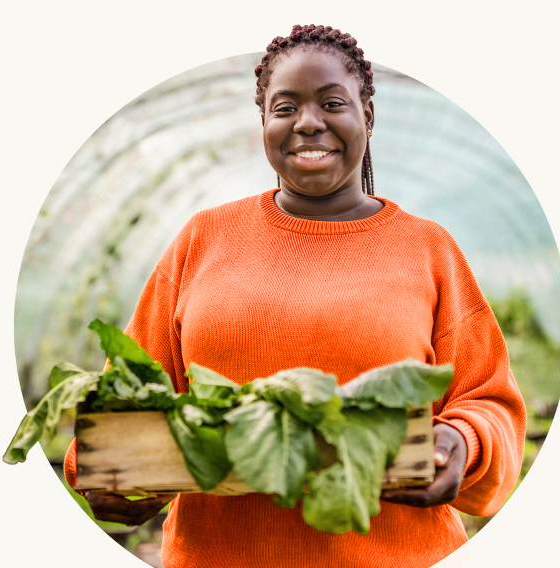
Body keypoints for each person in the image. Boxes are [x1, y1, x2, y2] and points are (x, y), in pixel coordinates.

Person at [62, 24, 527, 568]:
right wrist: (116, 471)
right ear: (264, 123)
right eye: (285, 108)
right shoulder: (203, 239)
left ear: (367, 119)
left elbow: (489, 400)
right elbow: (130, 394)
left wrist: (462, 441)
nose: (309, 123)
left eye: (333, 103)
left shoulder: (428, 248)